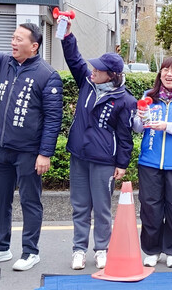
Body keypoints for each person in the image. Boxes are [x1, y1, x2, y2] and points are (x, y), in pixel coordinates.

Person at [61, 22, 136, 270]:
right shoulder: (86, 83)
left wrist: (122, 164)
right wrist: (68, 34)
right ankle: (79, 249)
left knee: (102, 208)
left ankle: (101, 248)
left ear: (112, 75)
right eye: (94, 67)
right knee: (80, 205)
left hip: (104, 161)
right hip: (79, 155)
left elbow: (126, 136)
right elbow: (74, 60)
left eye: (99, 69)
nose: (93, 70)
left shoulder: (125, 100)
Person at [0, 23, 63, 271]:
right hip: (1, 147)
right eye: (12, 37)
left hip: (28, 151)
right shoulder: (3, 63)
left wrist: (44, 153)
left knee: (29, 201)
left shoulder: (47, 75)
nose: (13, 42)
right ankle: (2, 247)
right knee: (0, 199)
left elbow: (53, 118)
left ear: (34, 46)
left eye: (19, 39)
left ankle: (30, 251)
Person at [133, 57, 172, 269]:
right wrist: (140, 117)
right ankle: (152, 250)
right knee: (150, 208)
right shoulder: (148, 97)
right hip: (150, 161)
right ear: (160, 74)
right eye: (165, 70)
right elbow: (137, 128)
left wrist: (166, 126)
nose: (169, 74)